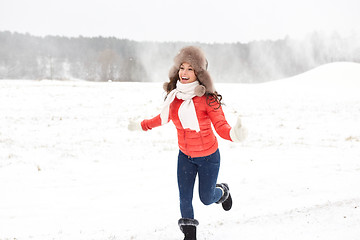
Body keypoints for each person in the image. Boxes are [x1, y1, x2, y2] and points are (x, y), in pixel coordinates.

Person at [128, 46, 247, 240]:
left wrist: (235, 134)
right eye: (181, 67)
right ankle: (189, 235)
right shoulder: (174, 98)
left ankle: (222, 192)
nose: (184, 73)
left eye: (190, 68)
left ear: (199, 72)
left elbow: (220, 125)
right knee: (185, 198)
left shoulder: (207, 99)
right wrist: (140, 125)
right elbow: (161, 118)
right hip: (185, 157)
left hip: (209, 157)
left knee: (206, 198)